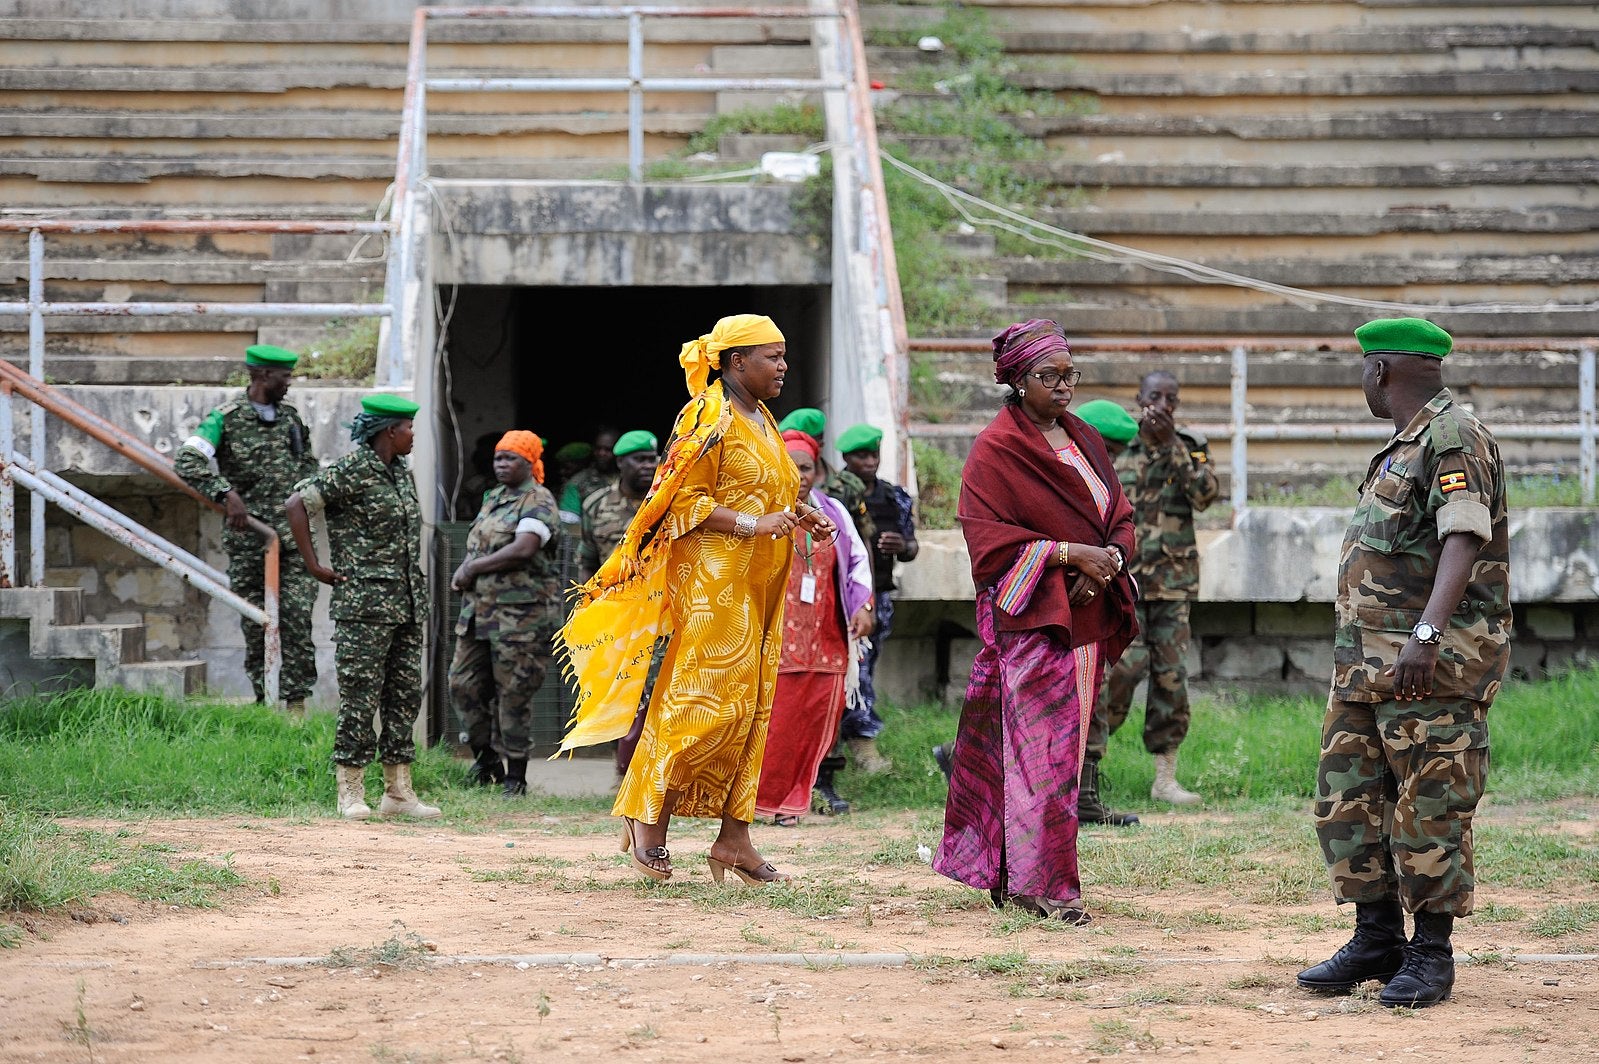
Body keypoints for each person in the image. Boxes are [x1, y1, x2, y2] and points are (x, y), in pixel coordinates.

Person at [555, 314, 833, 884]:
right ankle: (647, 818)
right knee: (701, 700)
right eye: (771, 357)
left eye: (784, 356)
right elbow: (680, 503)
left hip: (760, 583)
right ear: (735, 362)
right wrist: (758, 523)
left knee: (753, 707)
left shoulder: (762, 417)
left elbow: (763, 492)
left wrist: (798, 515)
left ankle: (734, 838)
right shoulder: (707, 414)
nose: (783, 366)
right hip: (714, 585)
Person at [1297, 317, 1509, 1009]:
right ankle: (1377, 938)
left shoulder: (1452, 435)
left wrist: (1425, 632)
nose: (1363, 381)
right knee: (1347, 803)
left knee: (1429, 809)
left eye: (1364, 370)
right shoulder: (1403, 445)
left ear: (1381, 371)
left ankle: (1430, 953)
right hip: (1366, 669)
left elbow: (1464, 532)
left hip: (1428, 668)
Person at [933, 319, 1137, 924]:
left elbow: (1119, 515)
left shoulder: (1086, 439)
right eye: (1050, 376)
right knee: (1037, 756)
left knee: (1062, 757)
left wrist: (1106, 564)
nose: (1065, 386)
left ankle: (1022, 876)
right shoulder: (996, 450)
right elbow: (989, 540)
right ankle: (1038, 886)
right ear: (1018, 382)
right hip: (1035, 624)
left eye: (1070, 374)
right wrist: (1068, 555)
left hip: (1084, 618)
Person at [284, 394, 441, 822]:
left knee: (404, 697)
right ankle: (350, 790)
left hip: (407, 604)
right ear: (389, 431)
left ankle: (398, 791)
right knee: (360, 698)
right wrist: (315, 565)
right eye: (408, 428)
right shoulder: (353, 469)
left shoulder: (401, 473)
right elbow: (297, 504)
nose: (413, 436)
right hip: (363, 608)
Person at [1085, 373, 1219, 819]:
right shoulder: (1117, 446)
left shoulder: (1190, 443)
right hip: (1123, 579)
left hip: (1173, 583)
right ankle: (1087, 769)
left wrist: (1172, 449)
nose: (1163, 404)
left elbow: (1205, 495)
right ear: (1138, 399)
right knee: (1118, 673)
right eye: (1154, 396)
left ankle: (1165, 777)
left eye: (1171, 398)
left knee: (1171, 678)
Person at [174, 344, 319, 713]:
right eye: (284, 376)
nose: (288, 383)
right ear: (262, 375)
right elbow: (187, 460)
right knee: (257, 627)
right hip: (251, 542)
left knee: (299, 621)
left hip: (292, 540)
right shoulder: (224, 418)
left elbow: (309, 467)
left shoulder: (291, 418)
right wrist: (225, 493)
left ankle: (296, 708)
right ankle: (265, 703)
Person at [754, 431, 875, 826]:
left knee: (815, 721)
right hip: (773, 640)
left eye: (806, 468)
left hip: (827, 638)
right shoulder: (759, 511)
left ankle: (792, 801)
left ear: (817, 470)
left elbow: (857, 560)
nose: (800, 475)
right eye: (791, 467)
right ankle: (757, 802)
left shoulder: (834, 510)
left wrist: (864, 605)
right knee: (774, 722)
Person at [449, 430, 562, 797]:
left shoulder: (539, 500)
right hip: (479, 615)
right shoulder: (492, 498)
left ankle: (516, 777)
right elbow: (477, 544)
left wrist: (473, 568)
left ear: (530, 463)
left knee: (513, 696)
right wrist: (464, 568)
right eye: (498, 458)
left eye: (511, 458)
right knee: (462, 685)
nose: (501, 464)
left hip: (521, 621)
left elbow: (523, 548)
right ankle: (486, 760)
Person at [577, 428, 663, 780]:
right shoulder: (595, 505)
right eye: (639, 459)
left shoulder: (668, 500)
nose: (648, 465)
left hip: (660, 612)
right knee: (620, 690)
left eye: (652, 458)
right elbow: (586, 559)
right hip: (614, 614)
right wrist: (586, 603)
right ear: (620, 463)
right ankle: (625, 773)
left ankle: (651, 773)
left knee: (656, 690)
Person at [835, 422, 919, 776]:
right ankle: (861, 747)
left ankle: (848, 746)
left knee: (866, 669)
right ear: (845, 458)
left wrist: (902, 546)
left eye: (873, 454)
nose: (869, 462)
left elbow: (912, 547)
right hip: (842, 599)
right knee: (853, 672)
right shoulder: (835, 496)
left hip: (880, 597)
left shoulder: (895, 496)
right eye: (860, 455)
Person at [559, 429, 619, 518]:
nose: (602, 453)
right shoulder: (577, 482)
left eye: (608, 450)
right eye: (598, 448)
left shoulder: (630, 480)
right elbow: (570, 522)